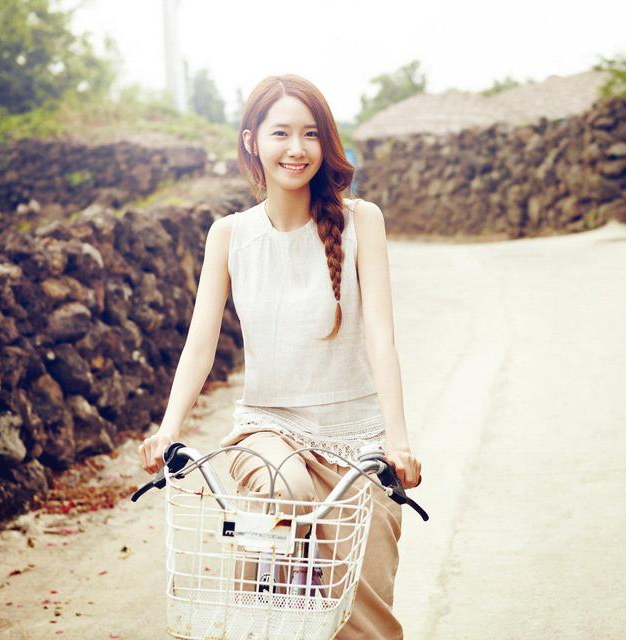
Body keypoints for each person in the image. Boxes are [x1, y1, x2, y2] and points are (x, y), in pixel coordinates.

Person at [137, 74, 422, 640]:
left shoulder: (362, 221)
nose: (297, 148)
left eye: (311, 134)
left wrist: (398, 442)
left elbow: (380, 337)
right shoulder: (229, 235)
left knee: (363, 618)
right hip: (268, 432)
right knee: (280, 492)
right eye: (281, 133)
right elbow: (200, 343)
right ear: (252, 141)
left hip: (357, 439)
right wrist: (168, 429)